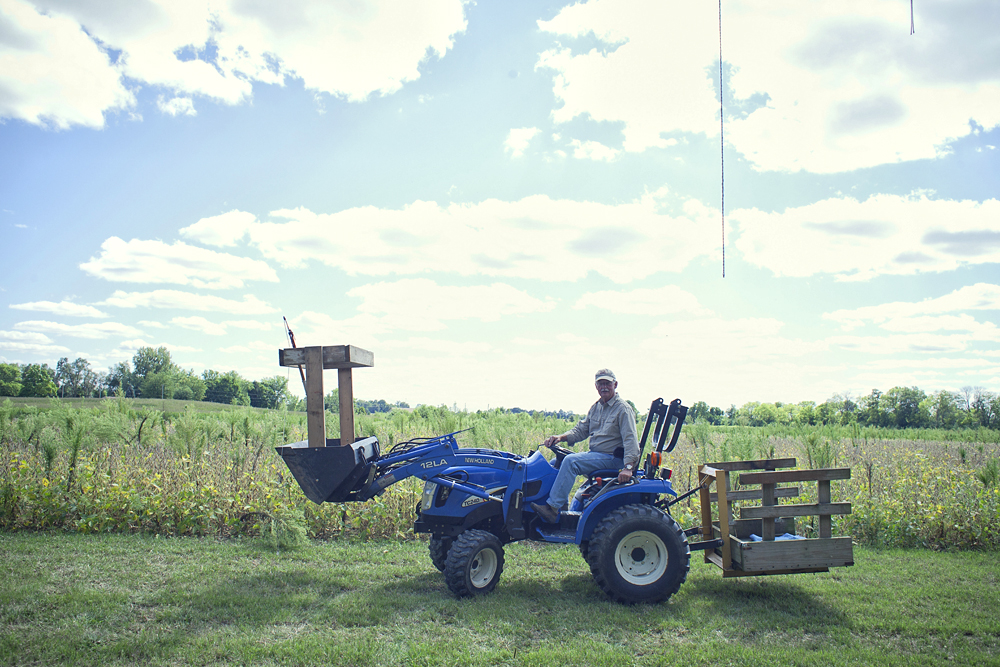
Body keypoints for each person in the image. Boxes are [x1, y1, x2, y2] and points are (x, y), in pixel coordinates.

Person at [530, 368, 639, 524]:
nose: (604, 387)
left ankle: (552, 509)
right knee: (556, 463)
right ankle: (561, 509)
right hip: (596, 454)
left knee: (571, 461)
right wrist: (560, 437)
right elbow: (581, 430)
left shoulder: (623, 409)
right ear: (596, 386)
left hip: (612, 458)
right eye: (600, 383)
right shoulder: (596, 407)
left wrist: (628, 467)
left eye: (607, 383)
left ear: (615, 384)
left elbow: (630, 439)